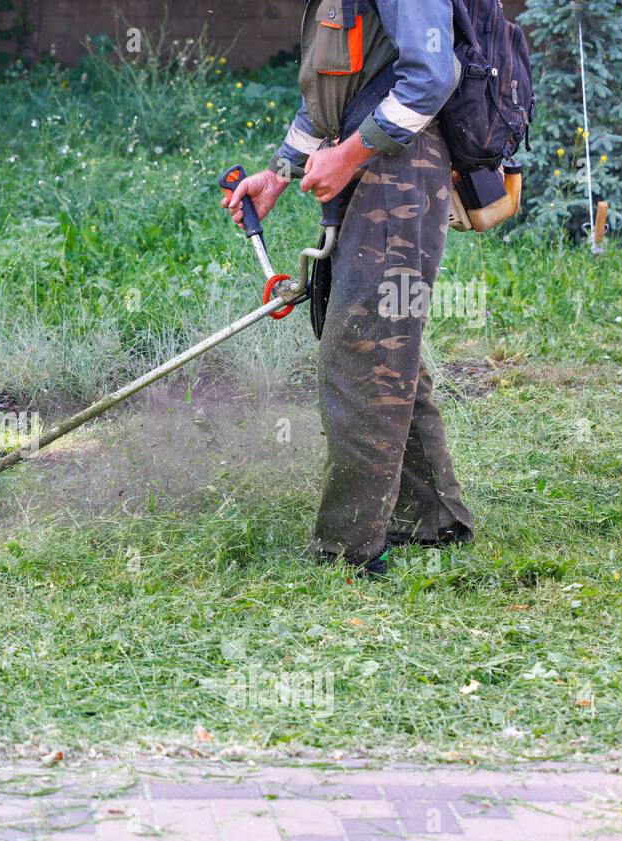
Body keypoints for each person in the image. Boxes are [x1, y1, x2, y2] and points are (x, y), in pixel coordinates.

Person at [224, 0, 475, 576]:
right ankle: (430, 516)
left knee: (364, 351)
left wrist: (348, 155)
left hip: (402, 169)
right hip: (370, 165)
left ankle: (350, 548)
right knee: (382, 346)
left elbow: (431, 79)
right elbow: (334, 98)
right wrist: (279, 174)